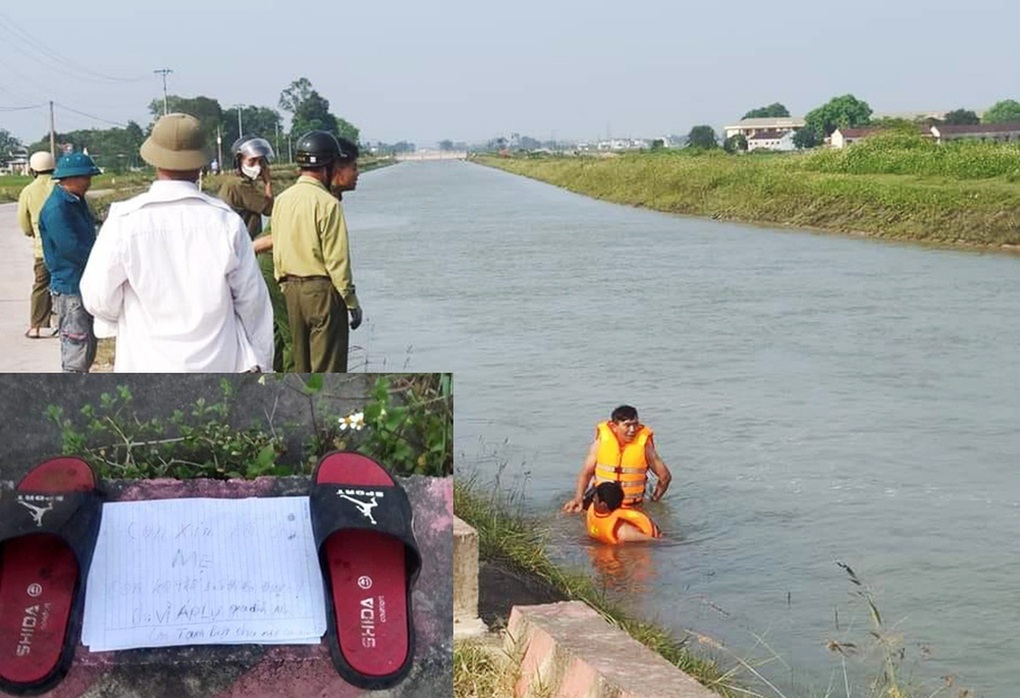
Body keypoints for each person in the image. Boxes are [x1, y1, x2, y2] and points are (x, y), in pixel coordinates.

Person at [80, 112, 273, 372]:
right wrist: (263, 361)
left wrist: (129, 313)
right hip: (219, 364)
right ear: (201, 164)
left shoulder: (124, 221)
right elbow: (253, 303)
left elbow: (97, 297)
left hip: (145, 362)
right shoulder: (225, 222)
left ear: (153, 160)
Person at [271, 131, 362, 372]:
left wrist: (284, 284)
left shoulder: (282, 199)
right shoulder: (327, 203)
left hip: (291, 290)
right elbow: (337, 261)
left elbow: (278, 248)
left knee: (302, 368)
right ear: (328, 166)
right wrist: (351, 302)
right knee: (328, 368)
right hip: (322, 293)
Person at [218, 136, 291, 371]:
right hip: (244, 252)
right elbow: (272, 208)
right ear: (239, 160)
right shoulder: (238, 186)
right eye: (253, 160)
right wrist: (268, 181)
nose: (258, 165)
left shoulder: (239, 184)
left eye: (261, 161)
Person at [38, 152, 101, 372]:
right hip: (70, 286)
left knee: (88, 346)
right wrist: (101, 260)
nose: (89, 182)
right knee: (76, 348)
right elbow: (71, 248)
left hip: (83, 282)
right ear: (71, 178)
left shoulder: (76, 201)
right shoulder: (57, 209)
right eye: (86, 177)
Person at [563, 405, 673, 512]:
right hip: (601, 502)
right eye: (627, 425)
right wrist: (578, 498)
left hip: (633, 504)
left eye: (635, 424)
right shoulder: (601, 443)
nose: (632, 430)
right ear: (614, 426)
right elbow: (586, 473)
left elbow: (665, 477)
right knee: (569, 512)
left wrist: (654, 501)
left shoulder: (644, 446)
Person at [17, 151, 57, 339]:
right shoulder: (61, 186)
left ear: (33, 169)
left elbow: (23, 222)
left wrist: (31, 233)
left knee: (41, 286)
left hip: (43, 250)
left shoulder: (28, 191)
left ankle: (35, 327)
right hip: (66, 250)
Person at [586, 481, 662, 544]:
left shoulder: (622, 531)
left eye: (595, 498)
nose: (593, 500)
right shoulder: (593, 509)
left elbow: (653, 541)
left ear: (603, 505)